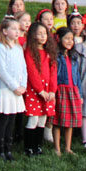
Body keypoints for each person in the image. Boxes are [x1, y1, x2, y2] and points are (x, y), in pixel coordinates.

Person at [0, 15, 27, 161]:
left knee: (12, 118)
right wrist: (14, 86)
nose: (17, 32)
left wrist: (23, 85)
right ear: (5, 31)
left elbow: (23, 68)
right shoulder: (2, 47)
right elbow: (2, 70)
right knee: (4, 119)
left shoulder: (19, 48)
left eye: (18, 29)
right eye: (13, 29)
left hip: (18, 89)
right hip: (7, 89)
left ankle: (8, 147)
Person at [23, 21, 57, 156]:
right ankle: (28, 147)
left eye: (45, 34)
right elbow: (32, 72)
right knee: (33, 119)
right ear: (33, 35)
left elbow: (53, 72)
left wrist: (52, 90)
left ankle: (38, 146)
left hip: (48, 90)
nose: (43, 37)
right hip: (35, 90)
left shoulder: (49, 52)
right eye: (39, 34)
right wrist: (40, 90)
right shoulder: (30, 51)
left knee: (43, 119)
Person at [53, 27, 83, 155]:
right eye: (66, 38)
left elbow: (77, 76)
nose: (70, 41)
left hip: (73, 90)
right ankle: (57, 148)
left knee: (70, 120)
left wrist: (80, 94)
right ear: (59, 39)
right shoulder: (56, 56)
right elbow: (54, 75)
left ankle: (68, 147)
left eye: (71, 39)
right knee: (58, 120)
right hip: (61, 89)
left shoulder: (74, 57)